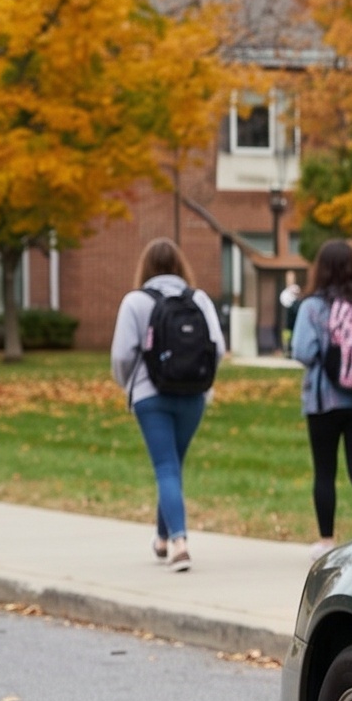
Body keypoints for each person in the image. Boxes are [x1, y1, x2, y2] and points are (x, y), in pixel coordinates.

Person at [108, 239, 225, 574]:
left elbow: (121, 356)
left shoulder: (135, 301)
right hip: (193, 395)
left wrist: (128, 383)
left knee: (165, 467)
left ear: (145, 267)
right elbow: (217, 348)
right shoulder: (198, 298)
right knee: (173, 465)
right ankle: (162, 538)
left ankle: (179, 543)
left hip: (150, 396)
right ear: (180, 265)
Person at [290, 241, 352, 557]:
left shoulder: (313, 307)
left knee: (325, 471)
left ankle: (326, 540)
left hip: (325, 402)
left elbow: (303, 351)